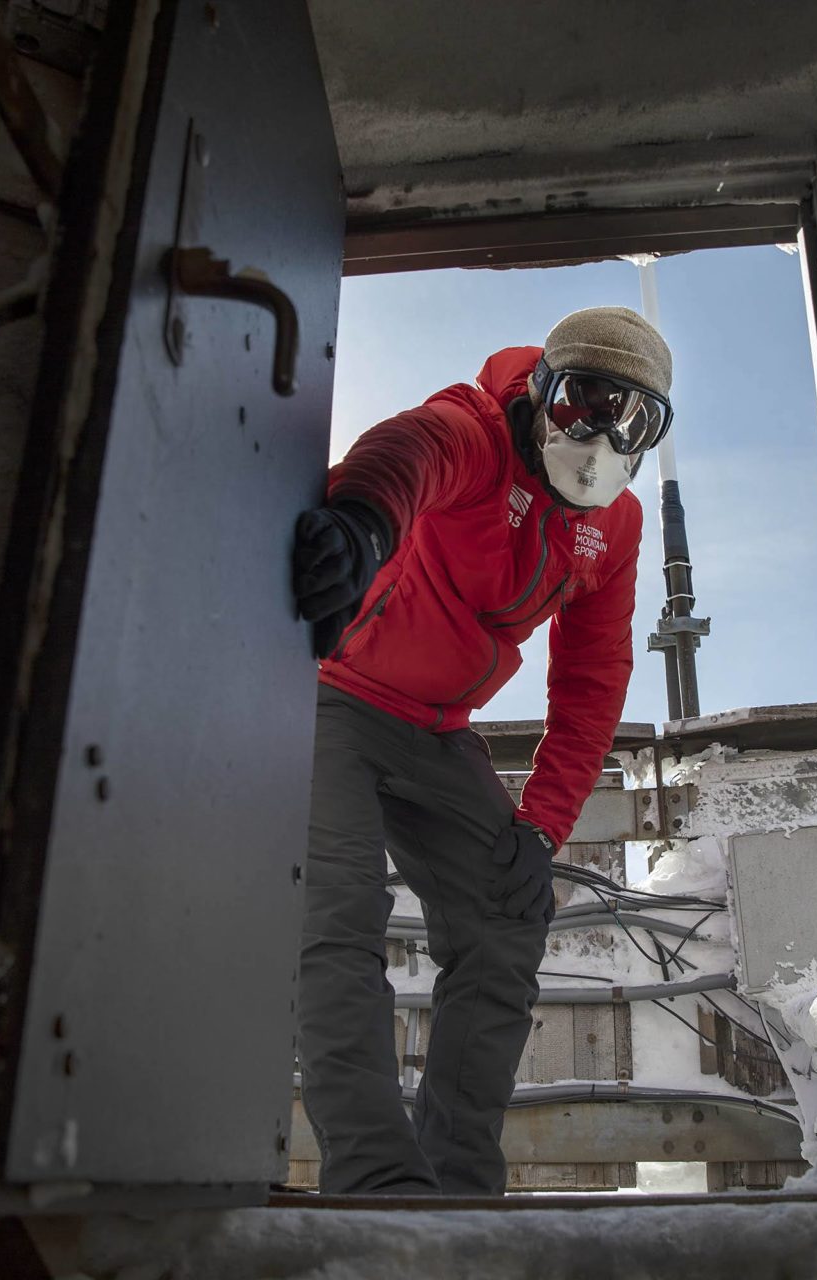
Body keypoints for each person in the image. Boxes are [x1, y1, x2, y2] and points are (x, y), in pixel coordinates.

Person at [290, 306, 674, 1195]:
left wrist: (543, 828)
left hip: (435, 732)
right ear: (543, 391)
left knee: (508, 907)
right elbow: (409, 453)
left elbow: (594, 674)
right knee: (338, 920)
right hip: (336, 698)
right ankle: (381, 1186)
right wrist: (362, 524)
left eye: (636, 420)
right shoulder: (476, 427)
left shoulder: (610, 528)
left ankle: (459, 1182)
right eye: (585, 402)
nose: (603, 436)